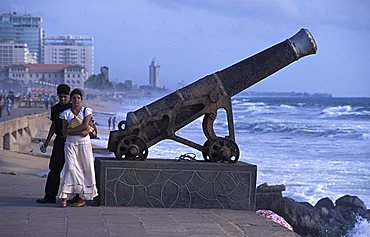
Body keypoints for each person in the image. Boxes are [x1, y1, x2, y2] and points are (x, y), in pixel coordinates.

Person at [59, 88, 98, 207]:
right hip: (70, 144)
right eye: (74, 98)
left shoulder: (86, 111)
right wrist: (79, 131)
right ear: (70, 100)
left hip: (84, 144)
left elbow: (86, 125)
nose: (76, 100)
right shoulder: (66, 113)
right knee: (70, 168)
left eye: (78, 98)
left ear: (81, 100)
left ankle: (82, 197)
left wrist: (72, 131)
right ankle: (65, 195)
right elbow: (64, 132)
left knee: (86, 169)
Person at [36, 84, 72, 204]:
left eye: (64, 97)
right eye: (60, 97)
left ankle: (78, 196)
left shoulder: (73, 108)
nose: (62, 99)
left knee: (74, 169)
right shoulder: (55, 108)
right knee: (54, 169)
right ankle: (50, 195)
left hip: (71, 142)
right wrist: (46, 142)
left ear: (68, 96)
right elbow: (53, 126)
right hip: (59, 141)